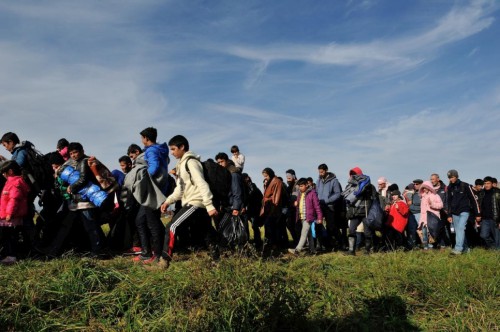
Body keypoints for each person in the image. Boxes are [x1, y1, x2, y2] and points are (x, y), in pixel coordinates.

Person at [159, 135, 220, 269]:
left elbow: (201, 183)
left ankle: (164, 261)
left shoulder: (191, 162)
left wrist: (209, 205)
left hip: (196, 202)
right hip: (195, 203)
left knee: (171, 227)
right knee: (207, 232)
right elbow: (180, 189)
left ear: (182, 147)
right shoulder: (181, 165)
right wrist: (167, 201)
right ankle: (218, 261)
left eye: (174, 149)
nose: (172, 152)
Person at [132, 127, 170, 264]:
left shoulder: (152, 150)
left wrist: (142, 178)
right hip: (158, 190)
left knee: (152, 224)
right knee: (140, 221)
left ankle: (158, 255)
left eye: (142, 138)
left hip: (152, 192)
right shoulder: (161, 150)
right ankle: (148, 252)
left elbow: (153, 168)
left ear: (146, 139)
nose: (141, 141)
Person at [0, 161, 30, 264]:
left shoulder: (13, 183)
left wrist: (9, 213)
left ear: (10, 171)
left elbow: (14, 199)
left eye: (4, 173)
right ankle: (10, 255)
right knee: (10, 236)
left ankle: (11, 256)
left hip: (11, 217)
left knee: (9, 236)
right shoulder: (14, 182)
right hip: (12, 216)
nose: (3, 175)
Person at [343, 166, 377, 255]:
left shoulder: (369, 186)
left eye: (355, 174)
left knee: (367, 232)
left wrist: (367, 191)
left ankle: (367, 250)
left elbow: (374, 197)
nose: (353, 176)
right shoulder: (349, 186)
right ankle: (351, 250)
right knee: (351, 230)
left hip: (366, 211)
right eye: (352, 174)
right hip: (355, 211)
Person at [446, 169, 480, 255]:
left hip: (464, 211)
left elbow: (474, 200)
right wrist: (449, 215)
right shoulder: (449, 187)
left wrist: (477, 213)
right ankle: (465, 248)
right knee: (459, 231)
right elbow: (448, 202)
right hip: (454, 213)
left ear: (456, 176)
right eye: (449, 177)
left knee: (461, 228)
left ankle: (458, 249)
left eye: (452, 177)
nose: (451, 179)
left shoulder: (466, 186)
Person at [288, 178, 323, 255]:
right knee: (309, 234)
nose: (300, 188)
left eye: (301, 186)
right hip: (302, 217)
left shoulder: (312, 193)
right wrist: (295, 204)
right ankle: (313, 250)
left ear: (306, 185)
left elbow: (317, 206)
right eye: (299, 186)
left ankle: (297, 250)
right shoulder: (300, 194)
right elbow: (299, 206)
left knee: (304, 233)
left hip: (309, 217)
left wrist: (320, 217)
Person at [316, 163, 345, 251]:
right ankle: (322, 245)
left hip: (329, 206)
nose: (320, 174)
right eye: (319, 172)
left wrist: (328, 200)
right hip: (320, 205)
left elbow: (338, 194)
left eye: (322, 172)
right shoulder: (318, 180)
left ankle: (342, 243)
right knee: (318, 225)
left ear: (326, 170)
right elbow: (316, 192)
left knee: (332, 226)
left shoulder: (334, 181)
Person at [260, 167, 284, 251]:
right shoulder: (269, 182)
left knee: (272, 227)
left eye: (266, 176)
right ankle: (270, 244)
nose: (265, 178)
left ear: (270, 174)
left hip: (273, 208)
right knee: (269, 227)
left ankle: (274, 245)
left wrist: (274, 207)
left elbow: (276, 196)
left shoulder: (277, 181)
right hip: (269, 207)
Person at [418, 181, 444, 249]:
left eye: (426, 188)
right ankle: (426, 247)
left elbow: (441, 205)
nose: (424, 189)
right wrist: (421, 220)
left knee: (434, 233)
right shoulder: (423, 197)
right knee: (424, 233)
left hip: (433, 217)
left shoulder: (435, 195)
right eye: (423, 188)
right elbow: (422, 210)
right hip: (424, 219)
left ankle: (440, 245)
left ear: (429, 188)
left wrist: (432, 204)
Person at [476, 176, 500, 249]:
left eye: (488, 183)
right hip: (485, 219)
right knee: (483, 235)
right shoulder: (481, 193)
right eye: (485, 183)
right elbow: (479, 205)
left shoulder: (497, 192)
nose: (486, 185)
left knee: (497, 237)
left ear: (492, 184)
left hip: (495, 218)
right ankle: (493, 247)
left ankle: (497, 251)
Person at [241, 173, 263, 247]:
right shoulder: (247, 186)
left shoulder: (252, 186)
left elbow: (251, 196)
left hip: (253, 210)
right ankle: (253, 241)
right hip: (250, 210)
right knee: (248, 226)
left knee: (254, 226)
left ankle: (257, 242)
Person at [285, 169, 300, 246]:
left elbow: (297, 197)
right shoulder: (289, 187)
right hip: (291, 209)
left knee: (297, 226)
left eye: (289, 178)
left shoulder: (298, 185)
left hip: (297, 209)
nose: (288, 179)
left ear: (293, 176)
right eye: (287, 178)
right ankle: (296, 240)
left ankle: (299, 242)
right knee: (289, 224)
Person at [406, 179, 423, 250]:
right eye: (414, 184)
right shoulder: (413, 193)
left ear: (421, 184)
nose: (415, 185)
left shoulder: (423, 193)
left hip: (420, 213)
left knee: (421, 231)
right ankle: (412, 245)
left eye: (417, 184)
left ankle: (426, 245)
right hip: (412, 213)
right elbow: (409, 202)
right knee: (411, 230)